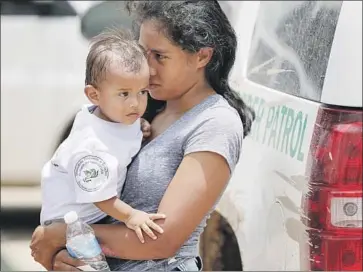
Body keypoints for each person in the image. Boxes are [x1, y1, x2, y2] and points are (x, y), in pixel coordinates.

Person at [30, 1, 255, 271]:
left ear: (202, 57)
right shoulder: (141, 109)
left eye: (160, 56)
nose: (146, 68)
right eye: (143, 52)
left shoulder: (214, 123)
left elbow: (160, 241)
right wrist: (61, 254)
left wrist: (62, 234)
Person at [39, 28, 166, 245]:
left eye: (142, 92)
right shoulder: (90, 145)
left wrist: (139, 125)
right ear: (94, 95)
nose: (135, 103)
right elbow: (100, 198)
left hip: (96, 219)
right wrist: (131, 216)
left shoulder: (117, 116)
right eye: (124, 93)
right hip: (69, 226)